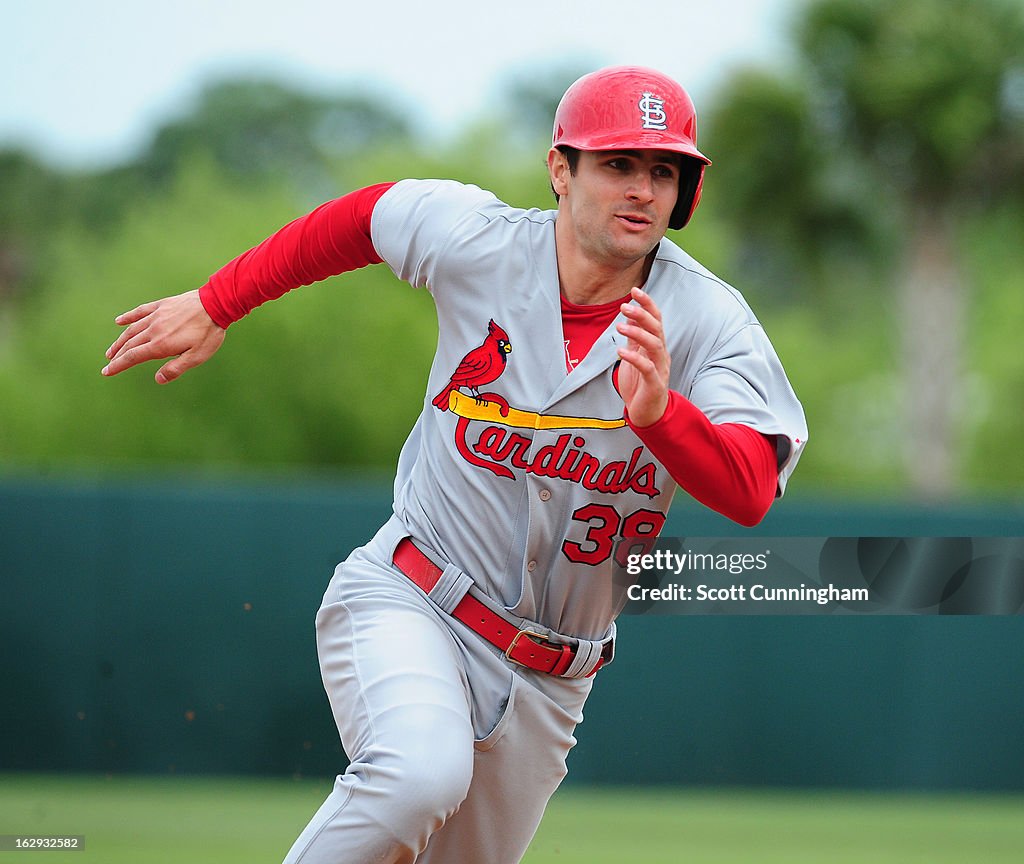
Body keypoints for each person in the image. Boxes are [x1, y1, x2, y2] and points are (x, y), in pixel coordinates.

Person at [103, 66, 807, 864]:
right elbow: (363, 218)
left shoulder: (709, 321)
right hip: (414, 598)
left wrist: (661, 416)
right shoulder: (476, 239)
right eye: (618, 164)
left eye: (663, 169)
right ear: (559, 169)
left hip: (552, 679)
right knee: (415, 779)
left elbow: (751, 489)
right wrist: (218, 300)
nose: (643, 188)